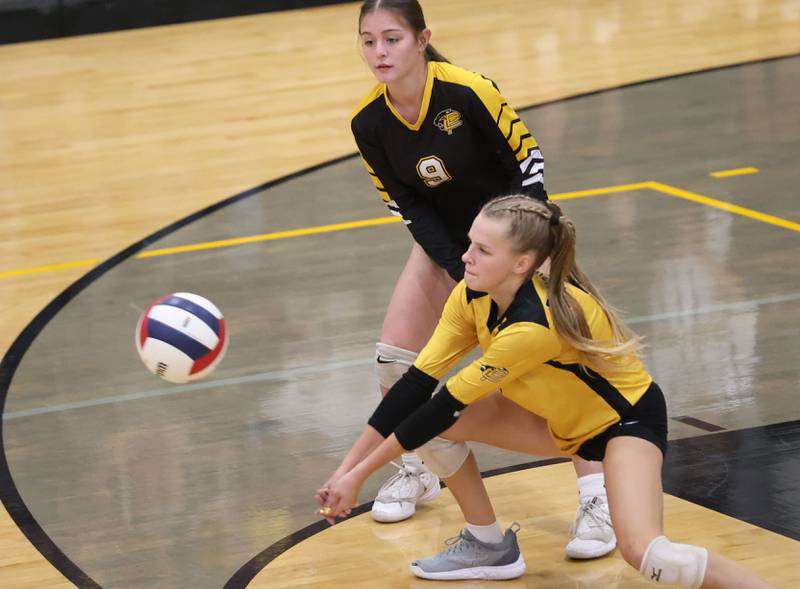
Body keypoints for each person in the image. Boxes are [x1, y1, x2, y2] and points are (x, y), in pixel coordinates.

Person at [316, 195, 776, 588]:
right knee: (437, 425)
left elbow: (443, 405)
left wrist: (358, 478)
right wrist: (346, 469)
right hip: (559, 423)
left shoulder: (534, 325)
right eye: (470, 243)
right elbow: (416, 385)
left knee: (650, 556)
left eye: (482, 249)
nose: (466, 257)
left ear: (521, 263)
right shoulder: (472, 295)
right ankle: (487, 544)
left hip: (624, 426)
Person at [349, 0, 614, 559]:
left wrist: (526, 251)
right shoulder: (368, 123)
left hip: (519, 237)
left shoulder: (468, 91)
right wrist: (458, 264)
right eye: (369, 41)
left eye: (392, 39)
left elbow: (529, 163)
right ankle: (417, 466)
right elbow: (407, 205)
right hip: (447, 245)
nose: (380, 53)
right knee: (397, 362)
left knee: (568, 364)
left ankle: (598, 498)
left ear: (423, 39)